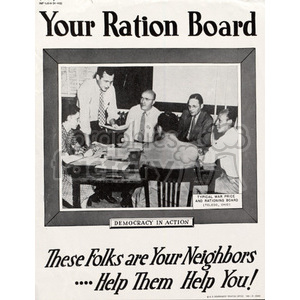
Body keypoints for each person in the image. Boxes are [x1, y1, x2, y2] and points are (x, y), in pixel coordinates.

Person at [131, 112, 199, 207]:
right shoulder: (192, 149)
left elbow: (141, 173)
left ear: (159, 129)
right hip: (183, 203)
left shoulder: (147, 148)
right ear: (177, 129)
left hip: (154, 203)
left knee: (136, 192)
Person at [198, 108, 240, 194]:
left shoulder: (227, 138)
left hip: (233, 184)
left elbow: (208, 159)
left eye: (220, 121)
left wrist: (200, 156)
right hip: (232, 179)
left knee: (198, 187)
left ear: (229, 121)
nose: (216, 123)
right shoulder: (234, 133)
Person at [77, 67, 119, 147]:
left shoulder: (111, 89)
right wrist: (88, 145)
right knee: (88, 151)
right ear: (97, 77)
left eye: (111, 82)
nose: (108, 85)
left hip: (100, 124)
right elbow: (84, 117)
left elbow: (112, 110)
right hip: (83, 126)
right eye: (106, 81)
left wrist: (113, 124)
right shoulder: (86, 88)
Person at [61, 104, 94, 206]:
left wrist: (88, 149)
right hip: (60, 175)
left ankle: (82, 212)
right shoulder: (59, 132)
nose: (79, 122)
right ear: (69, 118)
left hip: (68, 170)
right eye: (77, 119)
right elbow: (65, 158)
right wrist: (83, 155)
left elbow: (77, 147)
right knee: (83, 187)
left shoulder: (69, 132)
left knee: (88, 185)